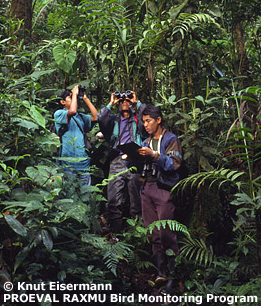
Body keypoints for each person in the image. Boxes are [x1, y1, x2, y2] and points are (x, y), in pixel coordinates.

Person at [137, 105, 183, 295]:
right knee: (154, 232)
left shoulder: (170, 139)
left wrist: (154, 155)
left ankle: (174, 277)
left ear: (158, 120)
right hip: (147, 187)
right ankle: (160, 272)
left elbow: (174, 164)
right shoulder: (145, 141)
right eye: (144, 121)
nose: (145, 124)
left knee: (167, 233)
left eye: (149, 121)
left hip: (164, 188)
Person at [97, 91, 146, 233]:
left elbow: (148, 120)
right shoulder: (113, 120)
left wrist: (137, 102)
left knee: (136, 199)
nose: (125, 102)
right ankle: (116, 233)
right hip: (117, 160)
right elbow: (101, 119)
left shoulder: (138, 120)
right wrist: (111, 103)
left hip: (135, 160)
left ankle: (137, 234)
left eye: (127, 100)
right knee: (113, 200)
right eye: (122, 100)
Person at [54, 85, 97, 186]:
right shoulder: (59, 113)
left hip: (83, 162)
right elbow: (72, 111)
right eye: (70, 97)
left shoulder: (80, 116)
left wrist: (85, 98)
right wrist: (74, 94)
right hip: (67, 162)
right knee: (69, 195)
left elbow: (96, 117)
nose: (74, 98)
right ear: (62, 102)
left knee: (86, 194)